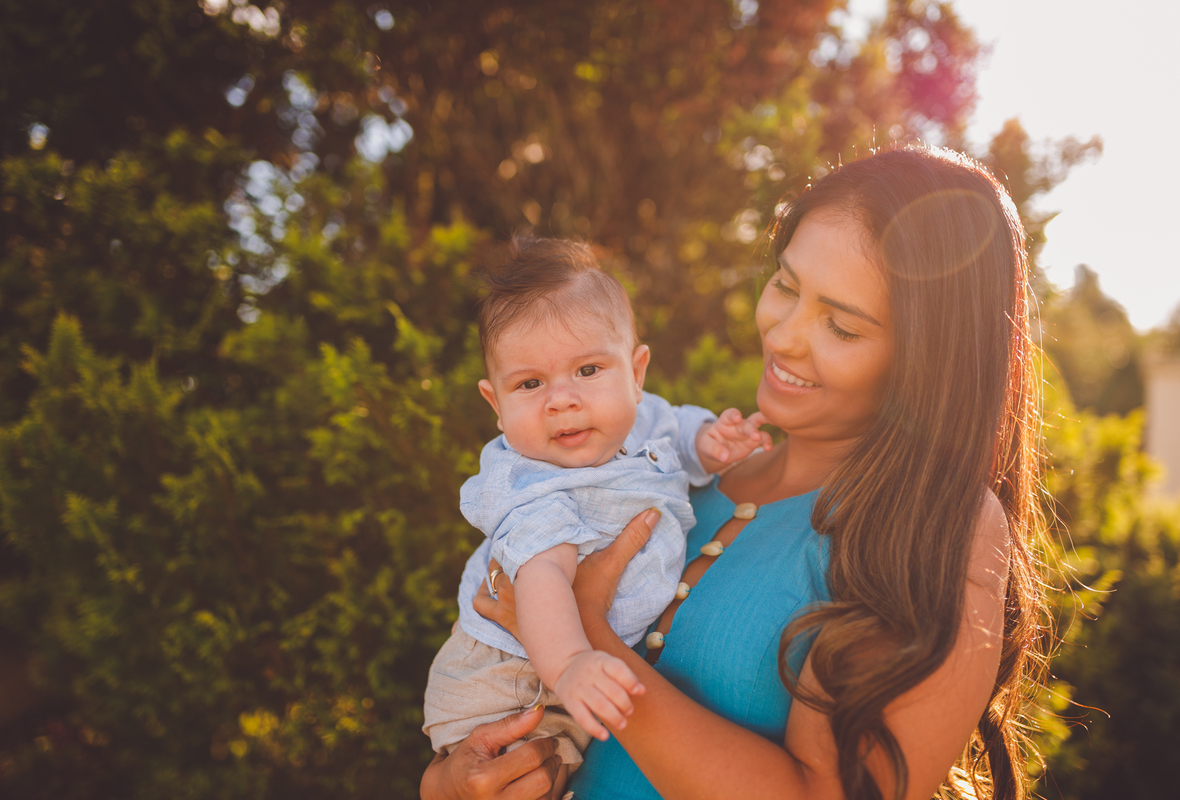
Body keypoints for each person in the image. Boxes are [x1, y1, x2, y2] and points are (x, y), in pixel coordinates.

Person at [420, 144, 1047, 800]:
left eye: (841, 326)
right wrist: (453, 784)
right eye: (785, 285)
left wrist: (591, 634)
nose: (782, 337)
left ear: (928, 358)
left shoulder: (938, 525)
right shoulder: (666, 474)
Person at [423, 238, 772, 777]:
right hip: (513, 672)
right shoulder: (533, 487)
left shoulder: (641, 416)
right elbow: (541, 581)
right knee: (523, 778)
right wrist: (570, 664)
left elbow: (675, 429)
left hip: (574, 665)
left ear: (636, 373)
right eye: (531, 383)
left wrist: (710, 442)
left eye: (587, 371)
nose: (561, 399)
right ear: (496, 403)